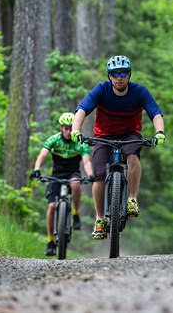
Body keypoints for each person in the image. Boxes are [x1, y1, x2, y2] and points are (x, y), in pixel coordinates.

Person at [70, 55, 165, 240]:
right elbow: (82, 109)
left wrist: (159, 132)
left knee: (132, 157)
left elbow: (155, 113)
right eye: (115, 74)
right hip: (104, 136)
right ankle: (99, 219)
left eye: (123, 73)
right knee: (98, 177)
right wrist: (75, 130)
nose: (119, 77)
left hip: (130, 133)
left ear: (129, 75)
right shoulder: (102, 90)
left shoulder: (139, 91)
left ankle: (131, 199)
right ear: (109, 77)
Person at [31, 112, 95, 256]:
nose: (68, 131)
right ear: (61, 128)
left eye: (71, 128)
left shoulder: (80, 142)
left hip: (73, 173)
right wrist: (36, 169)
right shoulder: (53, 140)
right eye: (66, 128)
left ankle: (76, 213)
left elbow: (86, 162)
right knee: (52, 206)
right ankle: (50, 241)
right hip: (57, 175)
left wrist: (90, 174)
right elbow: (42, 155)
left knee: (76, 184)